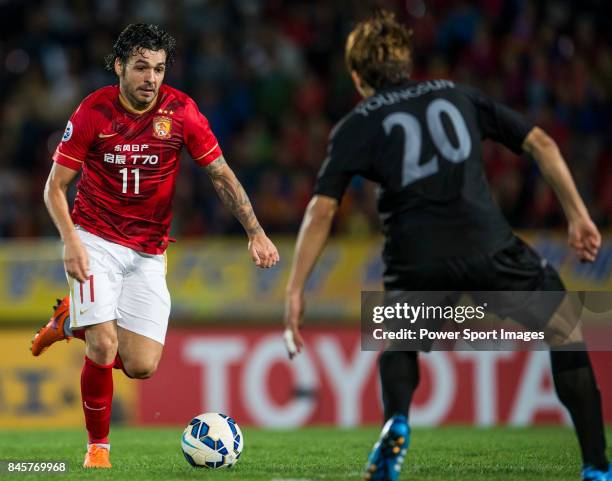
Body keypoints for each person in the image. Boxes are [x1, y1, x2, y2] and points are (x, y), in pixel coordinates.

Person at [282, 11, 609, 481]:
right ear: (405, 61)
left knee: (399, 335)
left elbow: (322, 210)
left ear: (357, 77)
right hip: (487, 244)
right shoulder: (456, 94)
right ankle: (597, 467)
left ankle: (396, 420)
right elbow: (542, 143)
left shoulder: (356, 125)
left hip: (416, 259)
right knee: (562, 325)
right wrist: (578, 215)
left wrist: (296, 287)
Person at [31, 23, 279, 469]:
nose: (151, 78)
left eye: (160, 69)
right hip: (94, 240)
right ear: (121, 67)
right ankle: (98, 452)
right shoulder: (93, 112)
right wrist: (70, 240)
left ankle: (70, 322)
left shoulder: (181, 112)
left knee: (142, 364)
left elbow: (220, 174)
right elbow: (54, 188)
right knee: (104, 346)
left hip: (149, 250)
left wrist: (255, 230)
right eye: (142, 67)